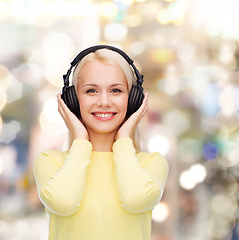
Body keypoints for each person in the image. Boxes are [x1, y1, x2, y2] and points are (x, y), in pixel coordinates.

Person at [33, 45, 169, 240]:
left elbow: (135, 198)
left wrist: (124, 140)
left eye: (116, 90)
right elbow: (64, 202)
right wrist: (80, 140)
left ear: (133, 100)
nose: (104, 102)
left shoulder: (151, 164)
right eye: (91, 91)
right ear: (72, 99)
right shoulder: (50, 162)